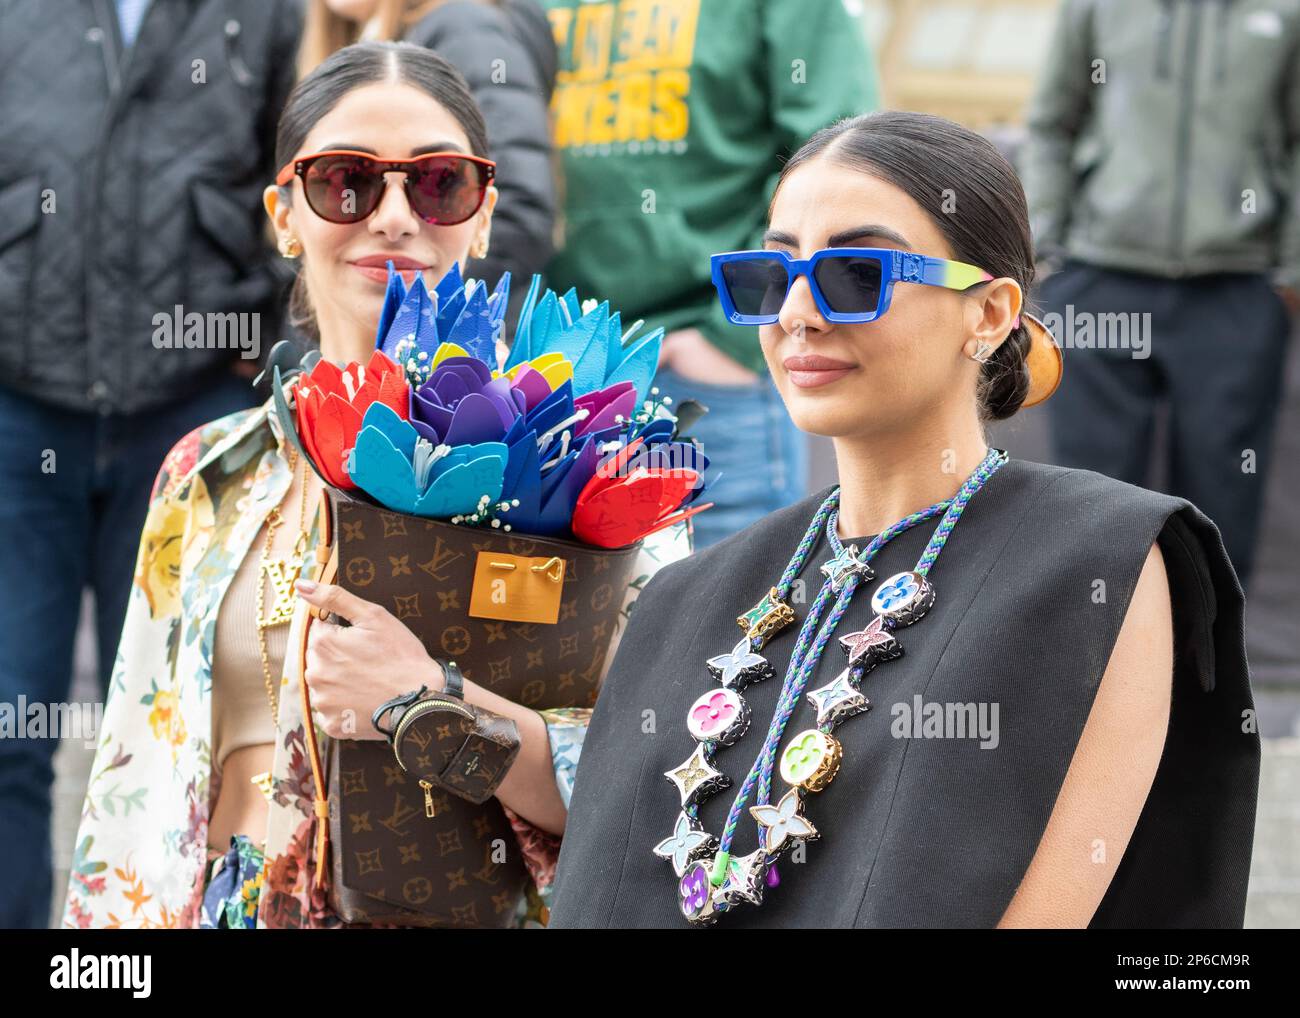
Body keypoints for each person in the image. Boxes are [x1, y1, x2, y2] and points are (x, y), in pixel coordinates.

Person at [548, 111, 1260, 929]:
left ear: (989, 314)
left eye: (858, 274)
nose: (799, 315)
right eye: (773, 277)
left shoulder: (1099, 560)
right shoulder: (685, 598)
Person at [61, 41, 689, 930]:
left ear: (482, 215)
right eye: (345, 181)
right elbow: (130, 776)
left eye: (439, 184)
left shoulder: (600, 465)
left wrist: (435, 705)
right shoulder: (208, 473)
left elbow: (658, 793)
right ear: (284, 215)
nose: (394, 217)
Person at [0, 0, 301, 929]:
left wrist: (254, 353)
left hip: (189, 420)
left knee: (174, 738)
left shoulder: (268, 14)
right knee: (11, 725)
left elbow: (294, 187)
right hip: (17, 413)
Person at [539, 0, 880, 547]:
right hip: (563, 371)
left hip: (707, 369)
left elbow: (844, 161)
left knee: (735, 616)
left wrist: (734, 337)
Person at [1021, 0, 1300, 594]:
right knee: (1089, 491)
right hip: (1101, 276)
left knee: (1224, 490)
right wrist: (1049, 239)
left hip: (1237, 282)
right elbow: (1051, 123)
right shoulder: (1095, 8)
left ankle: (1206, 668)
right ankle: (1089, 658)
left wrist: (1291, 271)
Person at [297, 0, 557, 329]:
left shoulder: (464, 28)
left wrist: (417, 332)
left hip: (461, 356)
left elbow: (521, 206)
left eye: (438, 179)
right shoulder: (355, 40)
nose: (392, 219)